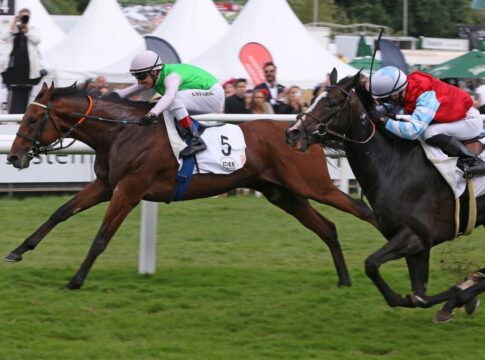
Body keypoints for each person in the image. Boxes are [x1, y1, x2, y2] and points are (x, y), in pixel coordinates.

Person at [371, 66, 485, 178]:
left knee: (429, 132)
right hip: (456, 118)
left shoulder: (425, 96)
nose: (385, 102)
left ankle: (474, 161)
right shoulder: (408, 90)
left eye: (385, 99)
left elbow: (412, 131)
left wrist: (383, 120)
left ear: (396, 94)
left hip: (469, 121)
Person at [115, 50, 224, 158]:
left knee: (172, 101)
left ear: (154, 72)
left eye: (141, 76)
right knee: (162, 105)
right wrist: (106, 97)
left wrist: (151, 114)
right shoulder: (154, 76)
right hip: (203, 94)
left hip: (213, 94)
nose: (138, 81)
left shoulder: (171, 77)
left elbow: (170, 97)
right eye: (136, 76)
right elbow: (127, 92)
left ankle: (196, 141)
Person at [0, 8, 42, 114]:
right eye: (22, 16)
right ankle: (11, 117)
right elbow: (4, 38)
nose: (24, 18)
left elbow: (37, 40)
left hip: (28, 70)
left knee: (26, 95)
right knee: (12, 95)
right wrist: (14, 24)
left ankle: (23, 117)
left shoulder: (33, 29)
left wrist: (27, 31)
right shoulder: (14, 29)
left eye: (26, 16)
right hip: (13, 69)